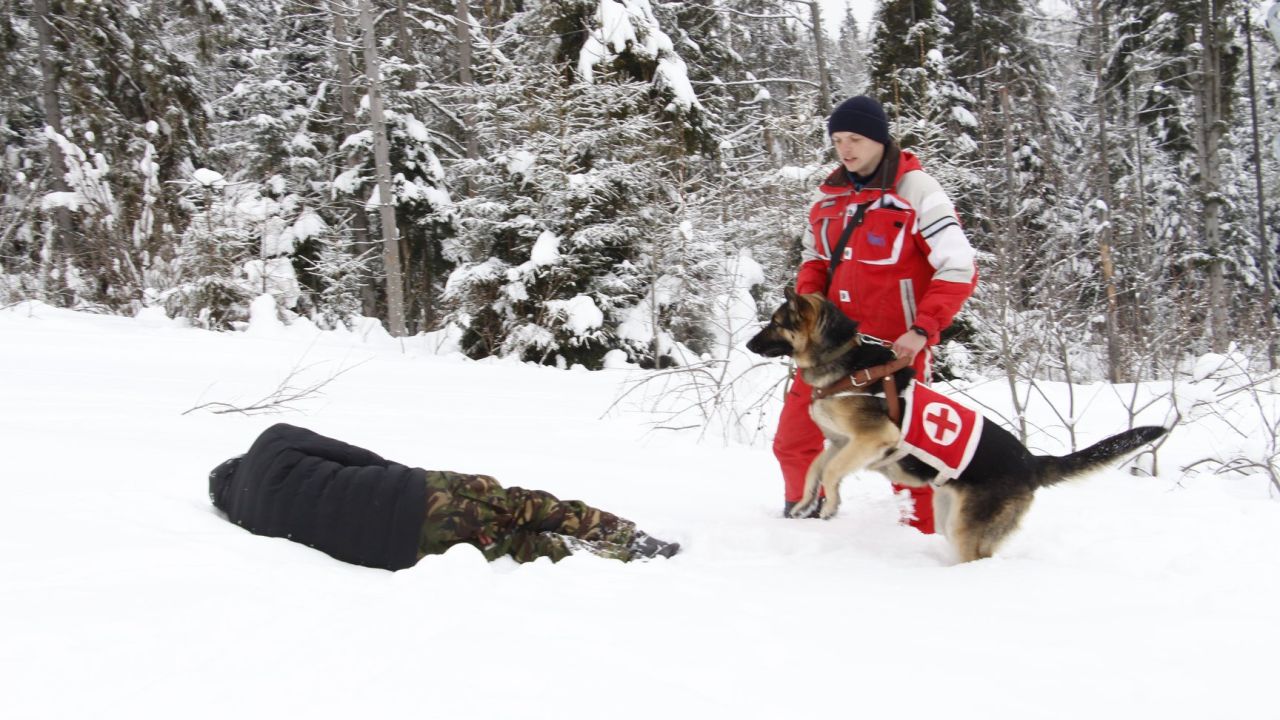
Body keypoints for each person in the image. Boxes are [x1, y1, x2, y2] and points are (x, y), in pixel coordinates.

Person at [773, 95, 978, 533]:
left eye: (856, 139)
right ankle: (801, 515)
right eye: (838, 139)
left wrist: (924, 328)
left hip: (892, 350)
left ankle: (922, 532)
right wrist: (806, 313)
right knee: (794, 438)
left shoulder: (918, 191)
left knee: (905, 449)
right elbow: (814, 261)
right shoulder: (828, 197)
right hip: (829, 350)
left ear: (881, 139)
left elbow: (958, 267)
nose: (846, 149)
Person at [208, 423, 679, 570]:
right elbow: (354, 456)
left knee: (519, 548)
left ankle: (608, 561)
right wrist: (401, 477)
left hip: (402, 549)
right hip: (416, 492)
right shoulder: (273, 441)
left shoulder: (248, 521)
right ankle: (628, 537)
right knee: (526, 505)